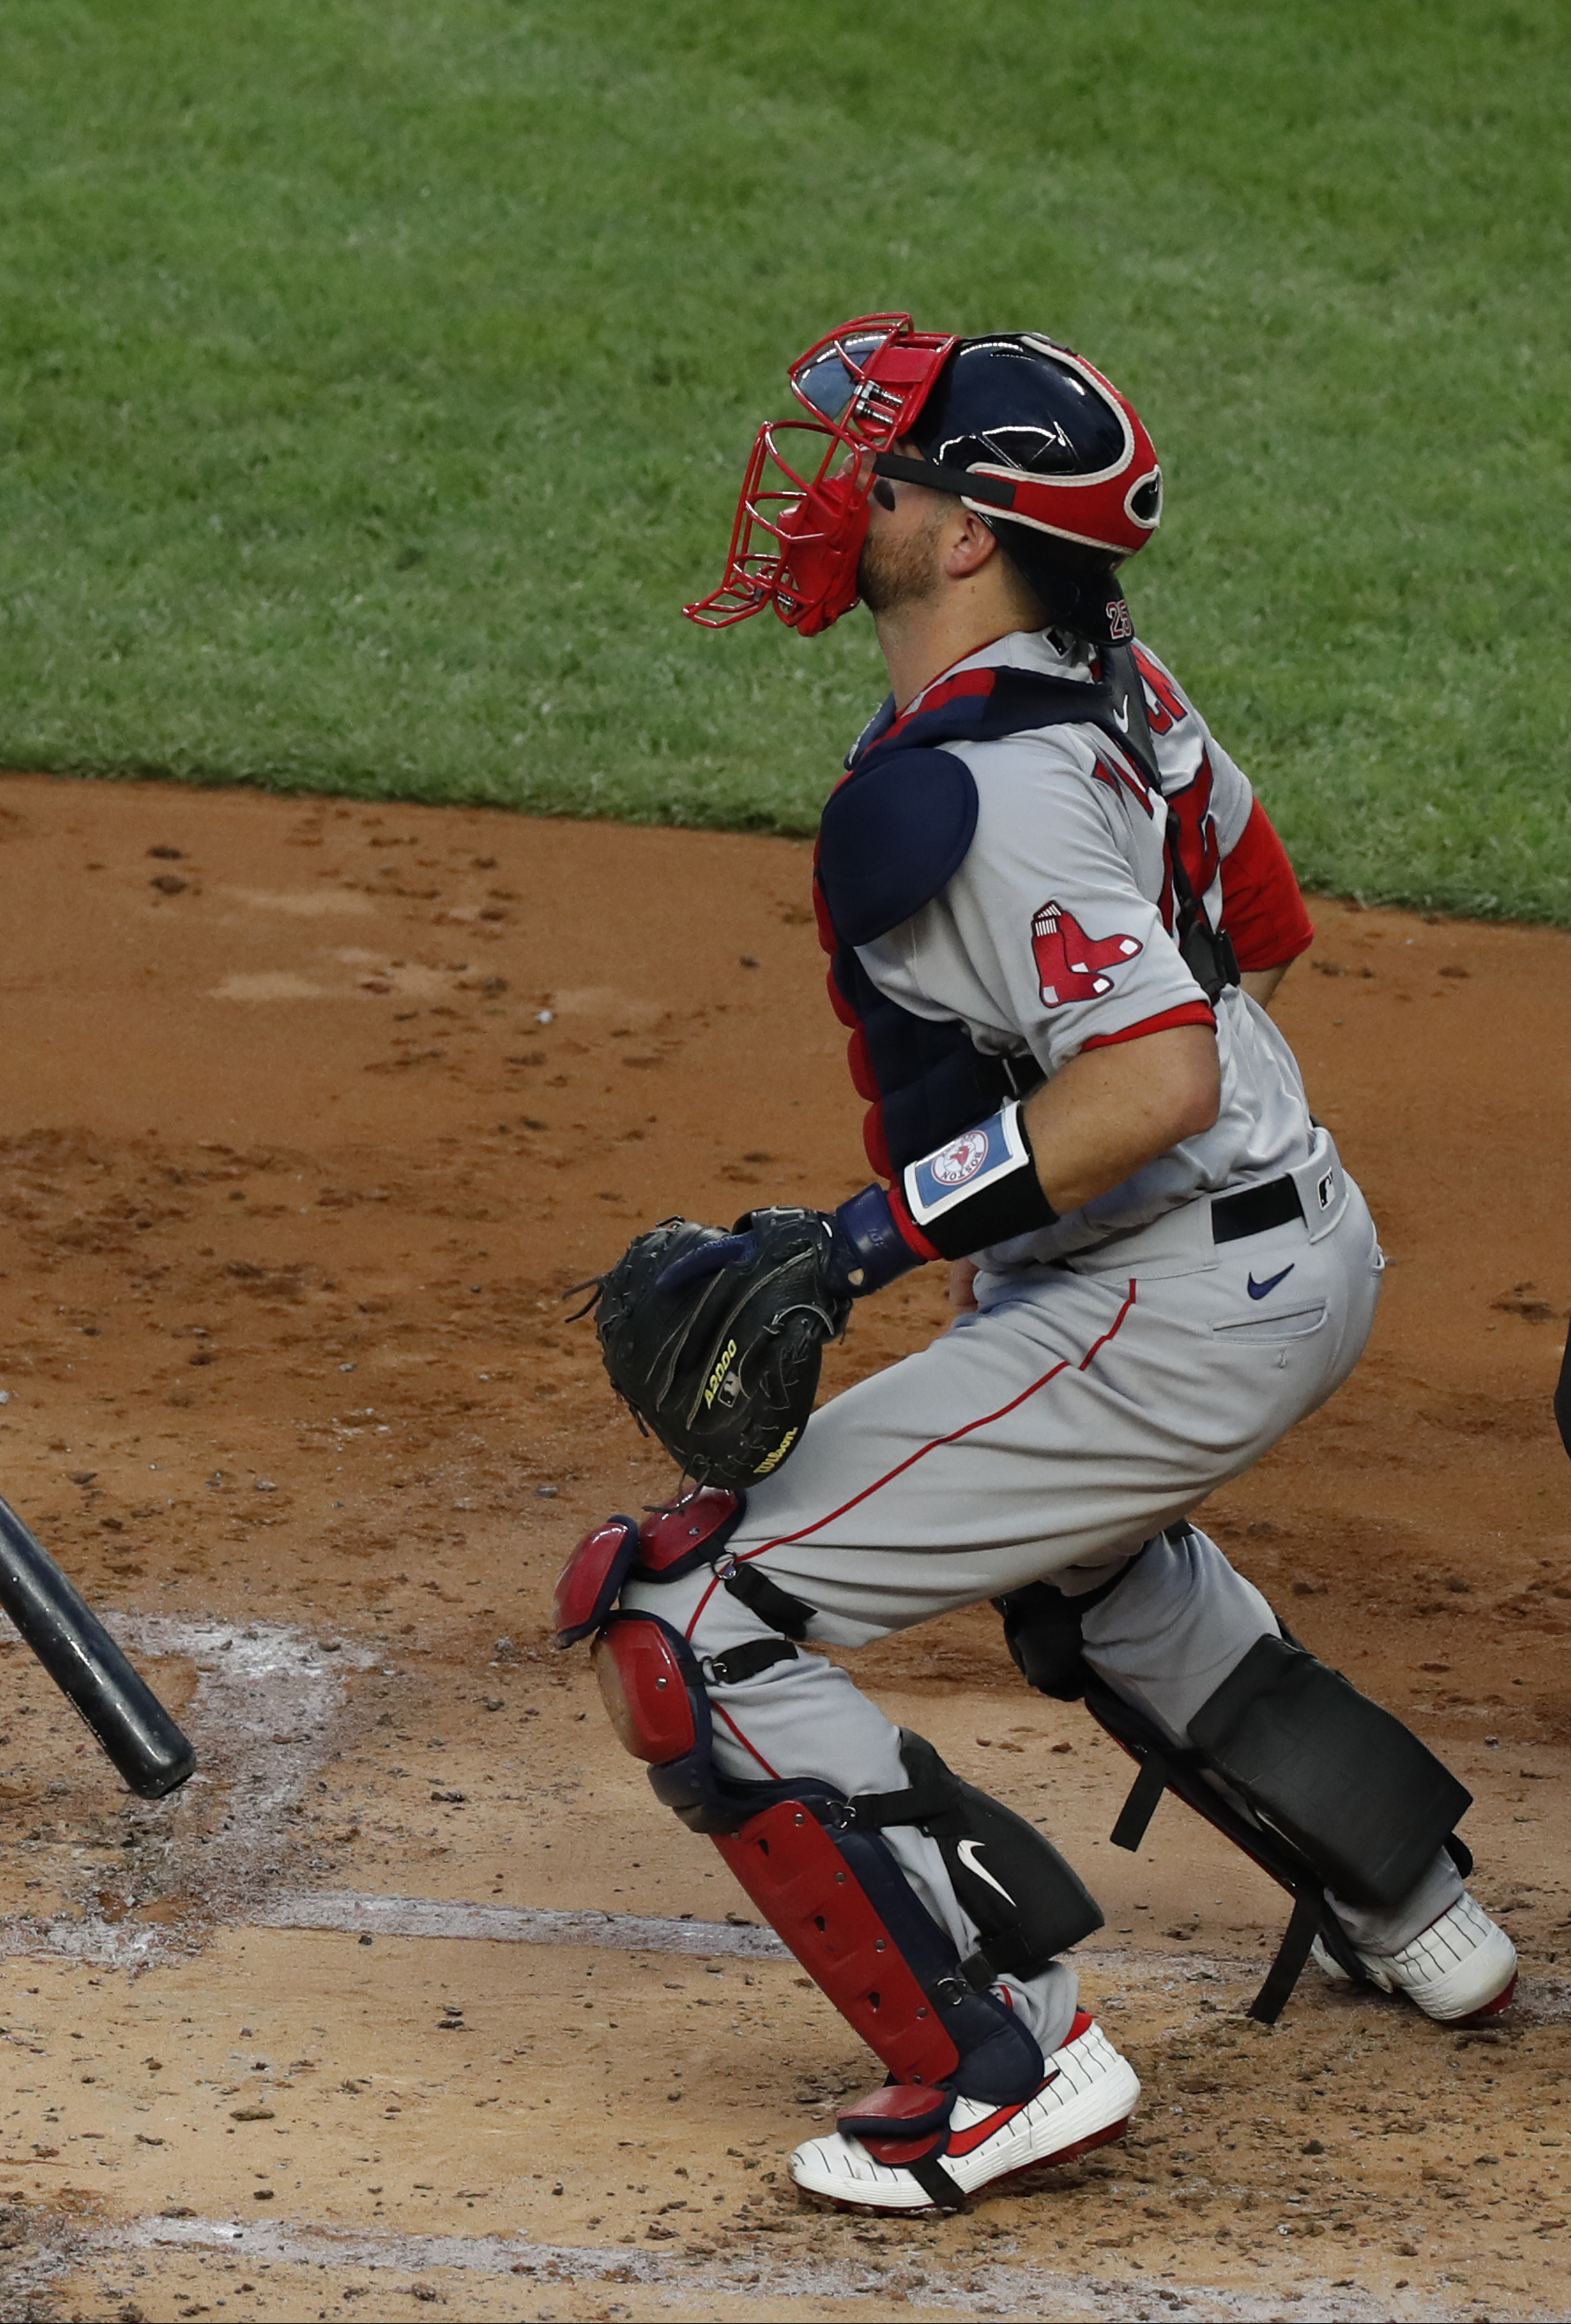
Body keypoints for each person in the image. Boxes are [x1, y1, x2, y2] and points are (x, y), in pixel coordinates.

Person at [559, 317, 1517, 2215]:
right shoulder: (1115, 677)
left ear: (971, 533)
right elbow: (1257, 918)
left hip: (1167, 1297)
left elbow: (1148, 1076)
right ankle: (1413, 1906)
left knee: (684, 1624)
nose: (839, 494)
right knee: (1090, 1571)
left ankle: (1002, 2055)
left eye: (882, 474)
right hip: (1282, 1232)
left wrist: (852, 1246)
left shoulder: (973, 798)